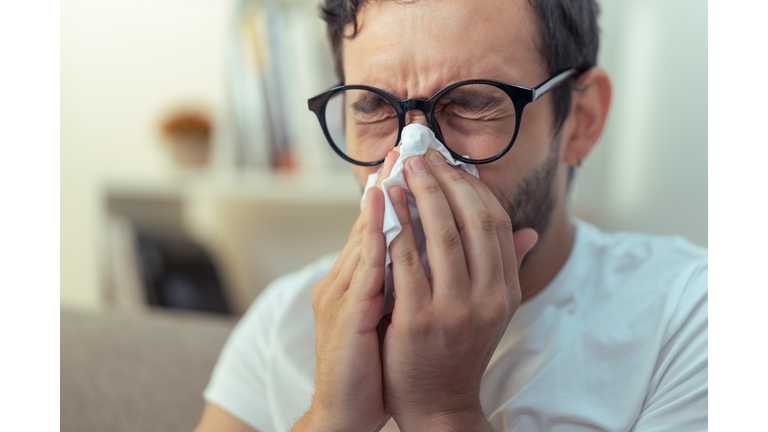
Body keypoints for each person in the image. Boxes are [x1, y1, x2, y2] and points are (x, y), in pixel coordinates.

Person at [195, 0, 708, 431]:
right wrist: (330, 417)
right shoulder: (282, 323)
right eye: (372, 107)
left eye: (471, 103)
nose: (412, 159)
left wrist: (441, 410)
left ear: (581, 121)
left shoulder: (693, 320)